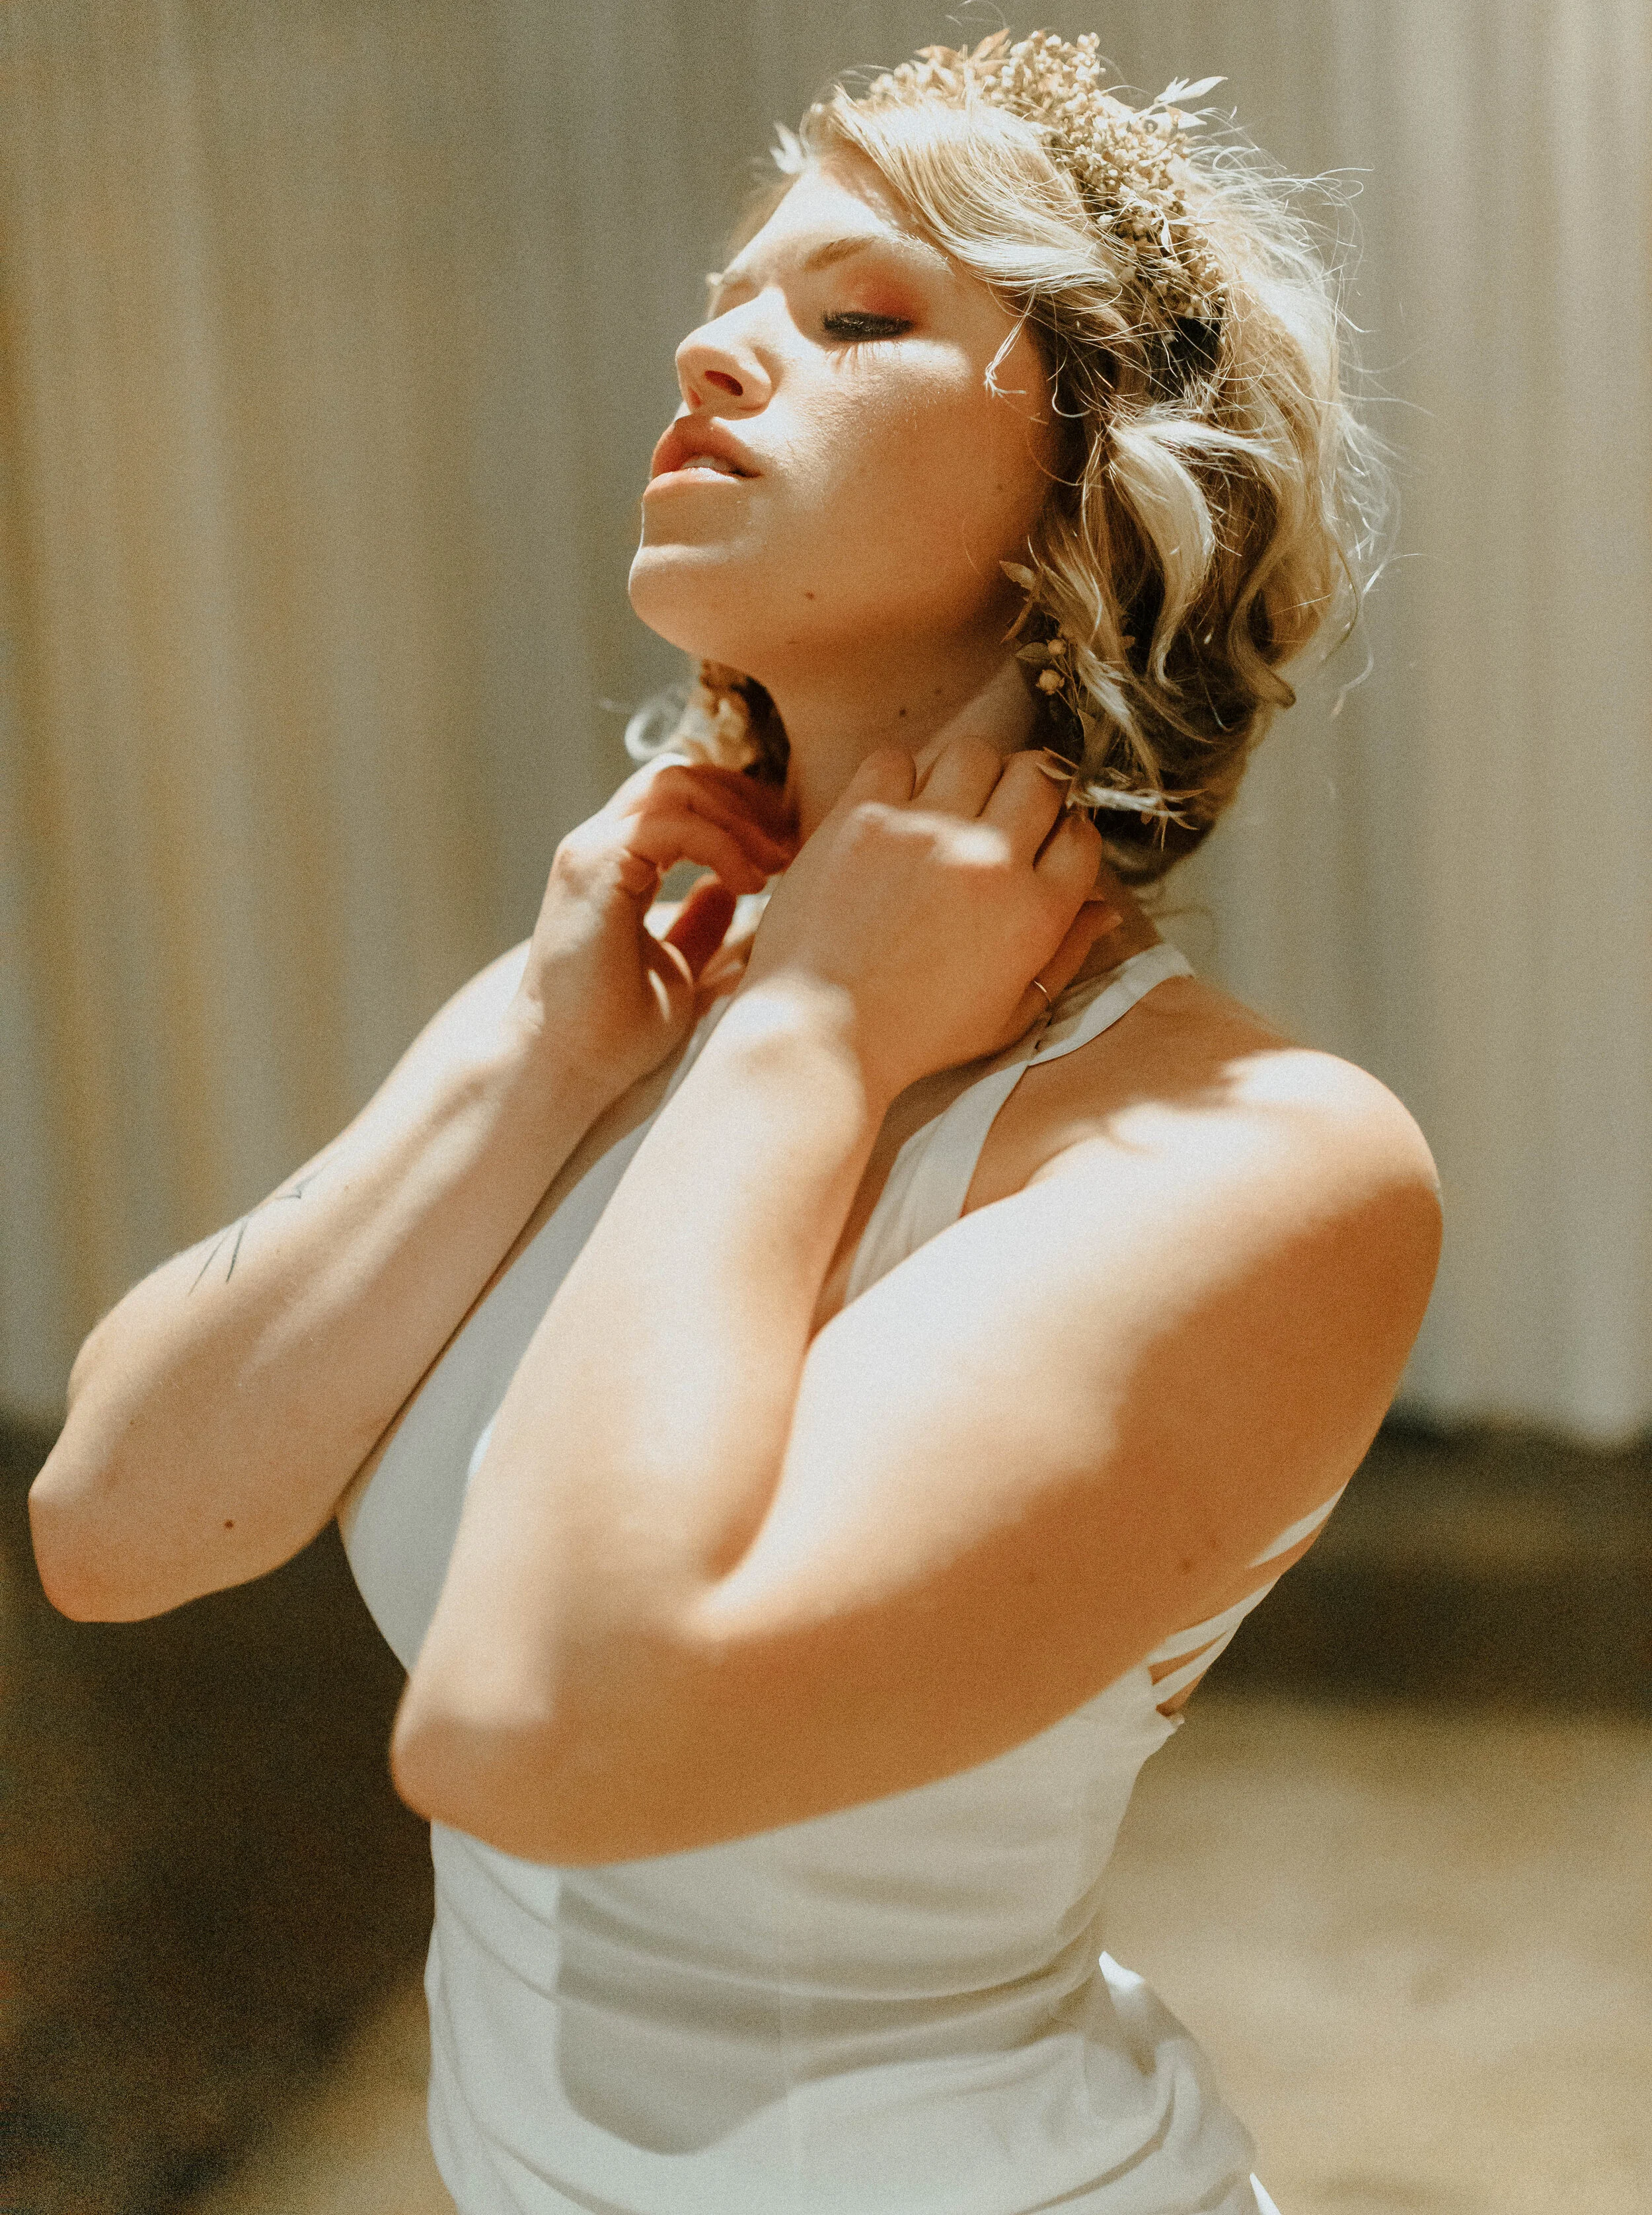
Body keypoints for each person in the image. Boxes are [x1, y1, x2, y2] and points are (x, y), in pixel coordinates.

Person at [29, 32, 1441, 2215]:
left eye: (858, 315)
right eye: (727, 299)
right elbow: (116, 1525)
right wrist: (535, 1046)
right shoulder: (633, 1006)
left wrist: (808, 1049)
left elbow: (537, 1730)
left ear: (1098, 487)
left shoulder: (1261, 1157)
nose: (708, 348)